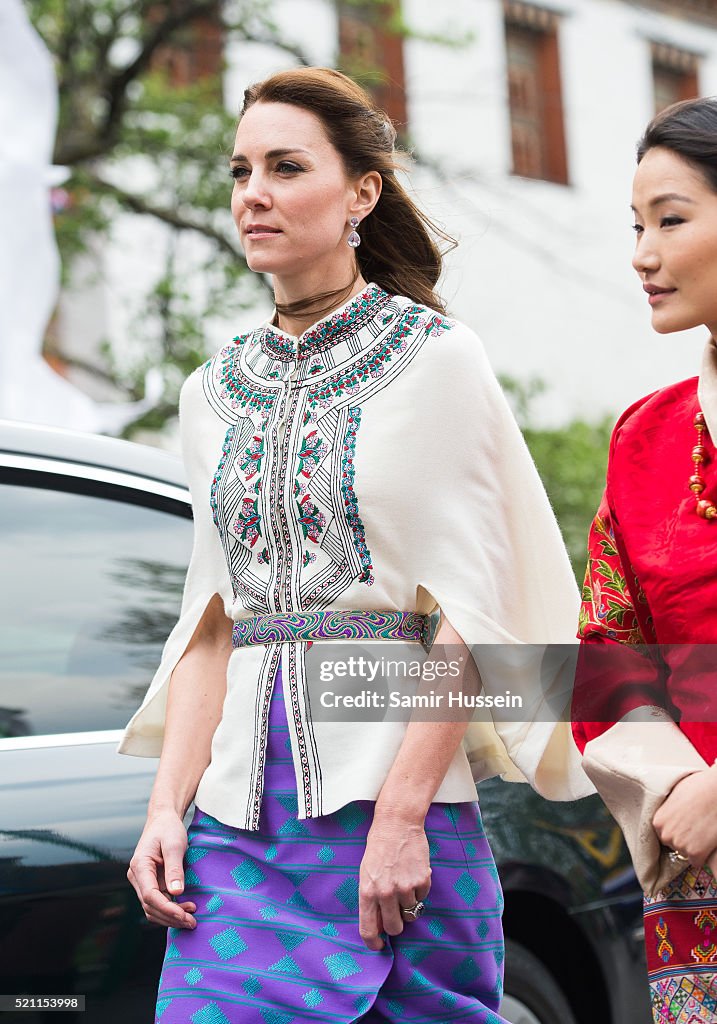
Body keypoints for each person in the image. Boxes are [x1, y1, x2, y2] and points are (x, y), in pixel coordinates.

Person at [119, 66, 590, 1024]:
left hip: (395, 811)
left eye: (286, 167)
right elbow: (213, 625)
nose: (254, 192)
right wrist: (166, 810)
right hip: (234, 825)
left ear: (361, 193)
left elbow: (473, 618)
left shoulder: (437, 360)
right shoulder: (208, 392)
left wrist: (404, 818)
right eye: (240, 169)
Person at [572, 96, 717, 1024]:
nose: (641, 254)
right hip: (694, 865)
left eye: (670, 219)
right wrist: (676, 785)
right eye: (635, 226)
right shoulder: (643, 437)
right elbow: (606, 651)